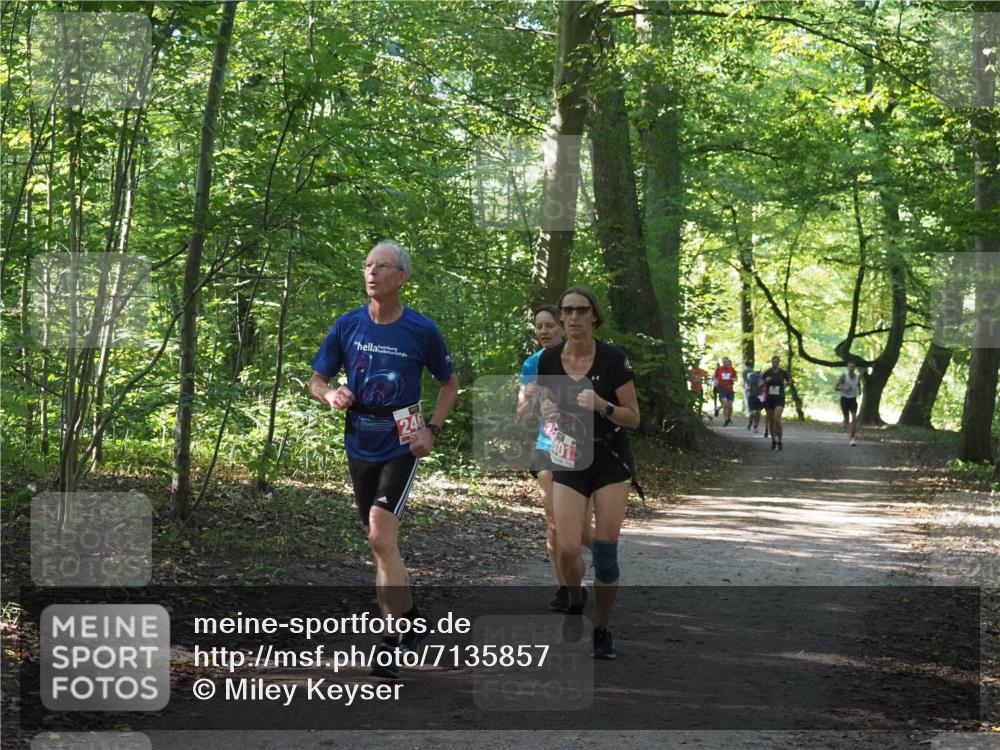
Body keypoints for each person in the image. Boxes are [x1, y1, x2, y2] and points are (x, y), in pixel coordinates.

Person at [309, 241, 459, 679]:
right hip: (359, 439)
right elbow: (317, 379)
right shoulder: (348, 325)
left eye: (382, 266)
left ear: (402, 278)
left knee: (379, 535)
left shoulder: (420, 330)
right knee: (382, 546)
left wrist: (432, 429)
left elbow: (449, 383)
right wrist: (331, 394)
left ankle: (392, 641)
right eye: (367, 265)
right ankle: (411, 623)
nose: (371, 272)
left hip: (402, 439)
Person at [538, 286, 640, 660]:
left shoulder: (613, 359)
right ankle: (577, 603)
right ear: (562, 317)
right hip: (569, 455)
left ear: (594, 316)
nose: (575, 317)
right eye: (569, 311)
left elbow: (633, 418)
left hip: (610, 458)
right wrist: (547, 413)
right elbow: (547, 403)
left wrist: (603, 405)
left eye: (583, 310)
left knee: (605, 554)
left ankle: (602, 628)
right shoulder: (549, 360)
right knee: (566, 549)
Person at [517, 305, 594, 613]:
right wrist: (530, 396)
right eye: (539, 326)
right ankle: (565, 586)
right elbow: (521, 413)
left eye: (550, 325)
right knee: (553, 521)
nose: (544, 331)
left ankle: (598, 556)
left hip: (585, 445)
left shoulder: (583, 356)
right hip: (549, 444)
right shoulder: (533, 364)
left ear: (563, 328)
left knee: (582, 530)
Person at [761, 355, 791, 450]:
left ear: (779, 362)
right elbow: (759, 384)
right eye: (773, 362)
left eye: (776, 362)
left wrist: (786, 385)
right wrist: (765, 381)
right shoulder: (767, 372)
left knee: (777, 419)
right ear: (771, 362)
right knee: (771, 421)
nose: (775, 364)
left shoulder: (783, 372)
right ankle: (774, 440)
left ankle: (780, 440)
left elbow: (790, 380)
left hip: (779, 398)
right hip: (770, 399)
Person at [835, 361, 861, 446]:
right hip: (844, 400)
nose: (851, 368)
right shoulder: (844, 376)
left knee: (853, 419)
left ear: (855, 368)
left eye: (853, 367)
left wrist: (859, 391)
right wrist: (844, 389)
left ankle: (852, 439)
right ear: (847, 367)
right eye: (850, 367)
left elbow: (858, 385)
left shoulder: (857, 377)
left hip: (853, 400)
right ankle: (844, 423)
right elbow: (836, 388)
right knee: (847, 419)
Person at [714, 357, 738, 426]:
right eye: (724, 362)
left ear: (728, 362)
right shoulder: (719, 369)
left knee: (730, 407)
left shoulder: (731, 369)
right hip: (722, 389)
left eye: (726, 362)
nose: (725, 363)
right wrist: (716, 382)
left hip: (730, 390)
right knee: (725, 404)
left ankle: (729, 418)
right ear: (722, 362)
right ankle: (725, 419)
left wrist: (734, 379)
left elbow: (736, 377)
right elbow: (716, 377)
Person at [743, 363, 763, 432]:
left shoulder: (762, 376)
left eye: (758, 370)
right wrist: (747, 387)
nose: (757, 372)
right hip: (751, 396)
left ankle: (755, 426)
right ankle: (750, 422)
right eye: (756, 370)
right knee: (753, 412)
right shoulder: (750, 375)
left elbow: (765, 384)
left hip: (760, 396)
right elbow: (745, 384)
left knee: (758, 413)